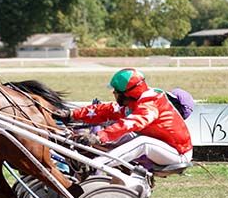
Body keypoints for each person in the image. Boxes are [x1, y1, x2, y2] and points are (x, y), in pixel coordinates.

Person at [56, 68, 193, 168]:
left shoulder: (151, 103)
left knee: (142, 142)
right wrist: (72, 114)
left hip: (178, 153)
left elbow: (132, 123)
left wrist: (100, 136)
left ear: (128, 93)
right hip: (161, 147)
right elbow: (107, 110)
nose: (113, 93)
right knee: (121, 138)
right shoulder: (134, 101)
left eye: (116, 91)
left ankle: (97, 165)